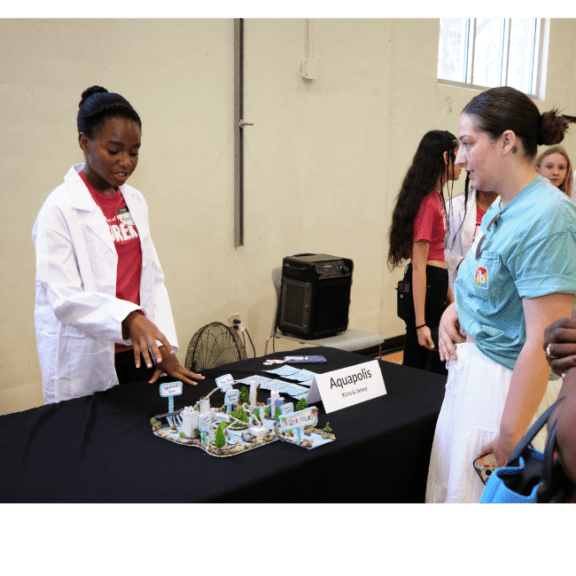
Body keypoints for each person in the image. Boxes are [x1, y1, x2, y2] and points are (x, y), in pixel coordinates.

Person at [425, 86, 576, 504]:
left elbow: (542, 341)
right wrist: (453, 311)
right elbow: (487, 278)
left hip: (507, 391)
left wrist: (511, 437)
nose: (459, 158)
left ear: (507, 141)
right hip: (473, 378)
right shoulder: (502, 205)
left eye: (468, 143)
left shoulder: (547, 217)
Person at [33, 86, 204, 404]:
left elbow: (151, 278)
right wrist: (129, 318)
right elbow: (64, 298)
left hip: (138, 352)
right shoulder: (59, 209)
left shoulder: (135, 201)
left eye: (134, 151)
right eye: (114, 151)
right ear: (85, 142)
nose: (125, 162)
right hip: (87, 359)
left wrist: (163, 344)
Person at [388, 130, 461, 375]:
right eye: (457, 155)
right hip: (426, 287)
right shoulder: (427, 204)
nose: (462, 161)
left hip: (435, 285)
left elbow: (437, 259)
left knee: (434, 364)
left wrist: (451, 297)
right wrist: (420, 323)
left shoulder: (435, 198)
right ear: (444, 157)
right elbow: (420, 265)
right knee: (420, 365)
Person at [444, 172, 498, 293]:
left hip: (497, 291)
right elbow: (436, 250)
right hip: (459, 289)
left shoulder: (512, 209)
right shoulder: (454, 207)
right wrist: (460, 262)